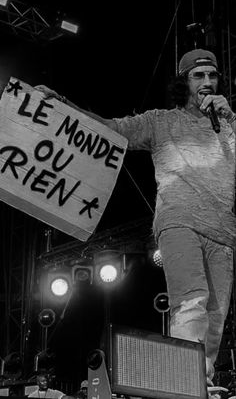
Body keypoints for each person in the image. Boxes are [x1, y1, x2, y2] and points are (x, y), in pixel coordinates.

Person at [36, 48, 236, 390]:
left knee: (216, 315)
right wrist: (63, 105)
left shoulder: (229, 124)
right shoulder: (160, 121)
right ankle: (189, 383)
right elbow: (111, 130)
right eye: (198, 76)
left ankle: (203, 380)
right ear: (183, 82)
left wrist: (230, 120)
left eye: (212, 75)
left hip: (224, 231)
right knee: (191, 301)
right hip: (179, 221)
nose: (206, 82)